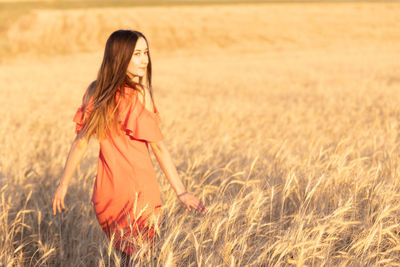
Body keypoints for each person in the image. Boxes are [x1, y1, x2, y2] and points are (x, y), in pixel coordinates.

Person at [52, 30, 206, 266]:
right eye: (136, 54)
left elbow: (80, 142)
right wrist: (181, 191)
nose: (144, 60)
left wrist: (63, 185)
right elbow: (159, 148)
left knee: (128, 258)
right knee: (143, 258)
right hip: (139, 192)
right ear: (120, 56)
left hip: (106, 193)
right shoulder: (139, 94)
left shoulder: (94, 93)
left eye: (146, 53)